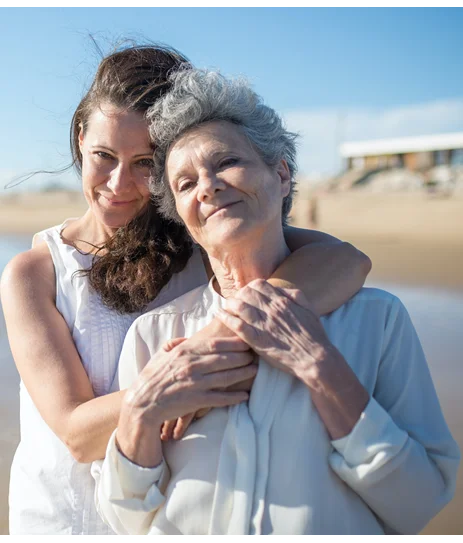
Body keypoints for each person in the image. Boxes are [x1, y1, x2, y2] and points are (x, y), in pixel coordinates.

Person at [0, 45, 372, 536]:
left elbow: (345, 260)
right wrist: (172, 385)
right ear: (79, 138)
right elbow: (76, 433)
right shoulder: (35, 272)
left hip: (168, 518)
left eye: (144, 163)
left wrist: (208, 347)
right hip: (62, 522)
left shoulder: (202, 245)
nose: (118, 183)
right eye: (103, 157)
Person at [93, 68, 460, 536]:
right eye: (185, 184)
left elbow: (420, 502)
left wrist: (320, 366)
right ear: (182, 218)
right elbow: (125, 519)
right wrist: (139, 413)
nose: (206, 186)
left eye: (226, 162)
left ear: (282, 174)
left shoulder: (377, 320)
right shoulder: (154, 336)